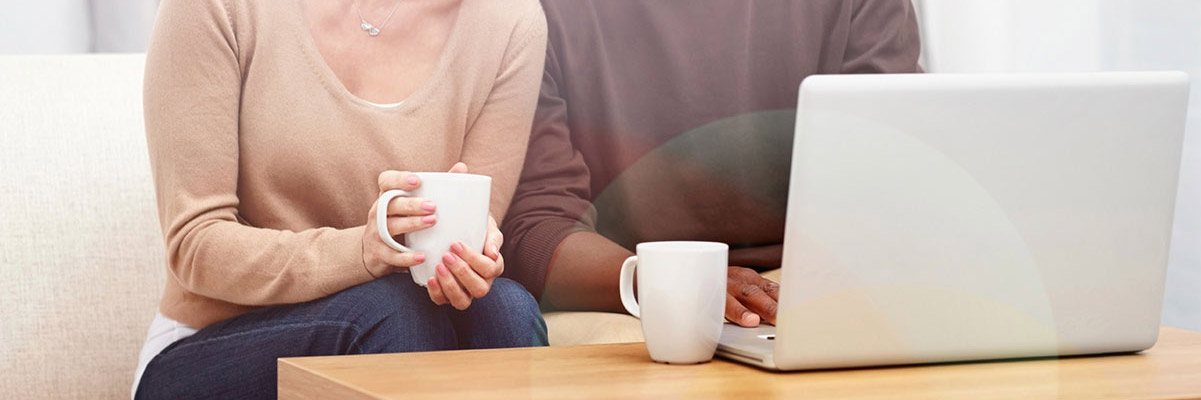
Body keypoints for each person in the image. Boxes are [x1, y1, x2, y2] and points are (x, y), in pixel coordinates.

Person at [133, 0, 548, 398]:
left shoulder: (510, 20)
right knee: (394, 315)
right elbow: (195, 244)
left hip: (407, 325)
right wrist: (360, 252)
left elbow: (474, 224)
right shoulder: (219, 6)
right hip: (213, 348)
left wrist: (471, 254)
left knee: (506, 309)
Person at [500, 0, 923, 326]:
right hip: (630, 284)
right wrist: (667, 279)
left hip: (817, 277)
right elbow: (537, 229)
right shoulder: (534, 13)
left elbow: (901, 168)